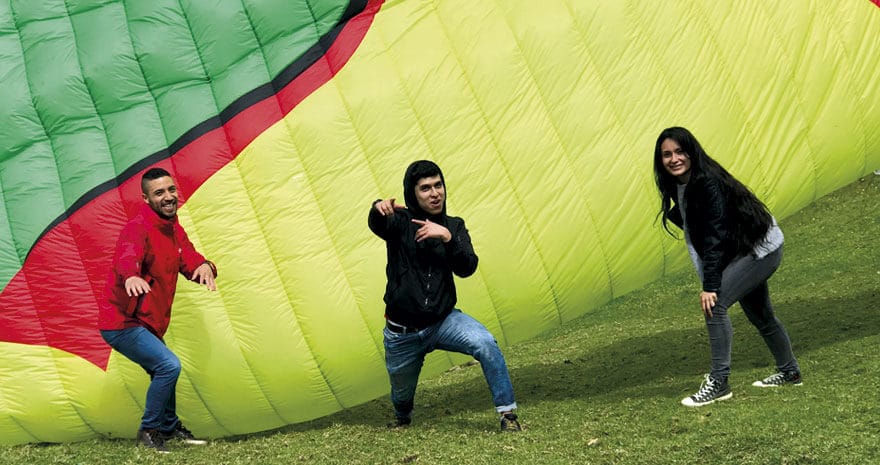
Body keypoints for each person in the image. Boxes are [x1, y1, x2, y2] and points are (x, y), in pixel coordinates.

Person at [653, 127, 802, 407]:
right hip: (742, 250)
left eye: (680, 151)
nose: (674, 159)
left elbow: (715, 235)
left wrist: (710, 285)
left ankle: (719, 383)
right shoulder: (679, 185)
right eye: (667, 154)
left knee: (715, 305)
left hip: (760, 248)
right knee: (761, 316)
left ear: (691, 151)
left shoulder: (706, 181)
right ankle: (789, 371)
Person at [368, 160, 521, 432]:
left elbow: (467, 267)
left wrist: (448, 238)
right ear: (412, 193)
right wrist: (377, 207)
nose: (434, 193)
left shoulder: (454, 226)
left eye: (438, 185)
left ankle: (508, 416)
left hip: (443, 322)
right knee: (401, 398)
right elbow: (377, 222)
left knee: (485, 343)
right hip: (402, 334)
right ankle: (403, 417)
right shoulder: (399, 223)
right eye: (425, 188)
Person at [98, 167, 218, 452]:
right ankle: (149, 431)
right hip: (122, 322)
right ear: (146, 198)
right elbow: (126, 255)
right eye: (159, 193)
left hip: (148, 321)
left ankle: (169, 427)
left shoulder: (174, 227)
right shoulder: (137, 227)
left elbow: (189, 259)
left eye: (171, 190)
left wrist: (205, 266)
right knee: (168, 365)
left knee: (161, 369)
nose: (168, 197)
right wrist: (131, 276)